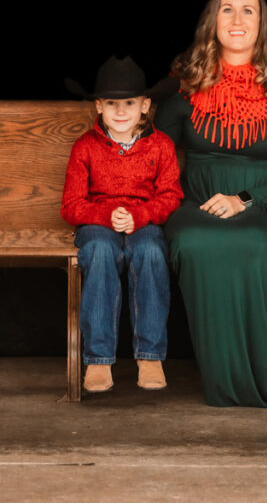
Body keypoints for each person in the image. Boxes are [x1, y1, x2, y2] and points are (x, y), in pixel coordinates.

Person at [153, 0, 267, 407]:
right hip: (197, 205)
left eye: (249, 10)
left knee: (257, 244)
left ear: (263, 23)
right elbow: (157, 152)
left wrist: (245, 199)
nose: (238, 19)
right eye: (228, 9)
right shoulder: (187, 80)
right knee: (194, 241)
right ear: (213, 19)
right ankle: (223, 381)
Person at [61, 56, 183, 393]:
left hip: (144, 223)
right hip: (97, 224)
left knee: (151, 254)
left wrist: (140, 216)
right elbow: (71, 205)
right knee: (99, 252)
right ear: (99, 106)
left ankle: (150, 355)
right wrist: (104, 216)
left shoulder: (161, 146)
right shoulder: (85, 146)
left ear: (145, 105)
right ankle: (98, 360)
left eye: (129, 102)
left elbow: (171, 196)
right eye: (112, 103)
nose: (120, 111)